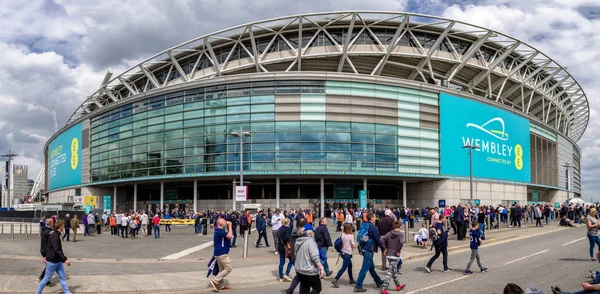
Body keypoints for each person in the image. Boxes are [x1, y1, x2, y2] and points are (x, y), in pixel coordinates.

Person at [36, 220, 71, 294]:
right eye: (63, 226)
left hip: (57, 261)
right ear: (60, 226)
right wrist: (65, 259)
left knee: (62, 277)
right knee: (46, 278)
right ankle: (38, 292)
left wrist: (46, 256)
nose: (63, 228)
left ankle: (67, 292)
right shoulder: (54, 235)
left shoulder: (54, 234)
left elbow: (49, 247)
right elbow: (57, 249)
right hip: (53, 261)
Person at [354, 213, 384, 292]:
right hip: (369, 250)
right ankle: (358, 285)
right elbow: (378, 239)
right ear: (372, 218)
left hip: (364, 249)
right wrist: (383, 248)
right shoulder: (373, 227)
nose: (375, 218)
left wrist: (359, 249)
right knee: (365, 268)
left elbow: (361, 238)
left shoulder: (364, 225)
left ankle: (378, 281)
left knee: (371, 267)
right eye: (375, 217)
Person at [294, 225, 325, 294]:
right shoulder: (311, 242)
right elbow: (315, 257)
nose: (313, 234)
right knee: (317, 288)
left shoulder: (298, 241)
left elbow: (295, 254)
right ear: (310, 233)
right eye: (313, 232)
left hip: (300, 269)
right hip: (309, 270)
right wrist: (321, 267)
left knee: (304, 289)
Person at [380, 220, 406, 294]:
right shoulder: (400, 234)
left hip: (388, 254)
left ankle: (398, 285)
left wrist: (384, 248)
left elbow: (381, 240)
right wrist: (398, 251)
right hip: (395, 255)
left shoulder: (389, 233)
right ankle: (384, 288)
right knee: (389, 273)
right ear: (400, 227)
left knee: (393, 270)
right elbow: (401, 243)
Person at [210, 218, 233, 291]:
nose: (225, 222)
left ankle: (220, 285)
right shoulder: (220, 231)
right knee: (228, 268)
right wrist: (230, 226)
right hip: (221, 253)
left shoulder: (219, 231)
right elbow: (230, 236)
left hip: (218, 253)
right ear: (220, 224)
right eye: (224, 221)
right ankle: (215, 281)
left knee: (222, 269)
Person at [332, 223, 356, 288]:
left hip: (343, 252)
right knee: (344, 268)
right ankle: (335, 279)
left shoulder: (342, 234)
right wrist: (355, 244)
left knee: (350, 265)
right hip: (348, 253)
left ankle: (351, 279)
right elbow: (353, 245)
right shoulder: (350, 236)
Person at [38, 218, 54, 286]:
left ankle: (42, 277)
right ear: (51, 224)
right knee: (50, 266)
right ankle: (46, 281)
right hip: (47, 250)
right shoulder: (49, 232)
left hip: (43, 249)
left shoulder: (43, 230)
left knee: (48, 265)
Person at [277, 218, 293, 282]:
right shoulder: (287, 229)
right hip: (287, 247)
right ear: (288, 222)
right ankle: (287, 273)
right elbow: (287, 238)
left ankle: (280, 277)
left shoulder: (279, 229)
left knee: (281, 262)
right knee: (292, 260)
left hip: (280, 247)